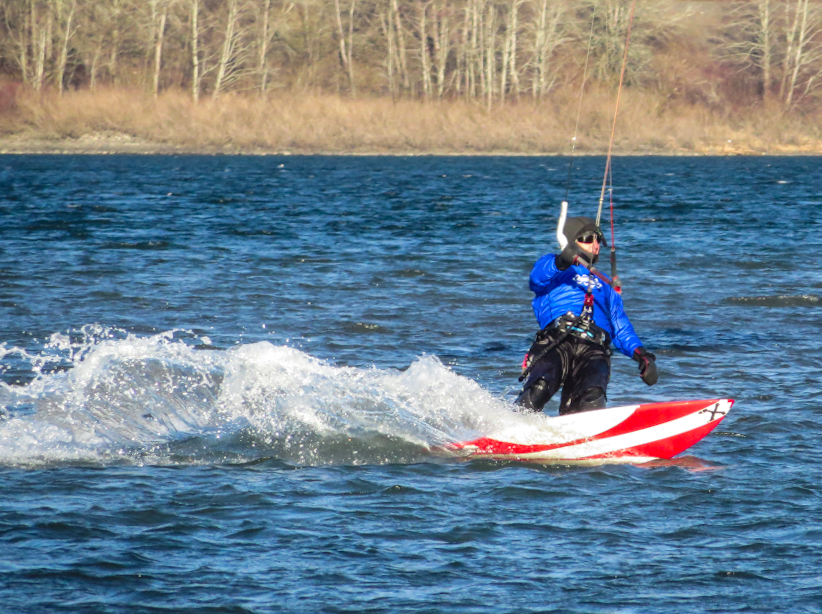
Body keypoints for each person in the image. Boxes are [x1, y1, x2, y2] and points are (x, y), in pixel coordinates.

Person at [516, 215, 657, 415]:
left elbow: (621, 328)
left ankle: (581, 435)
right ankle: (514, 422)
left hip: (594, 349)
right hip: (558, 340)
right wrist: (561, 261)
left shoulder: (608, 287)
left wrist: (643, 356)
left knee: (592, 396)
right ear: (572, 241)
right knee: (540, 386)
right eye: (587, 239)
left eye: (598, 239)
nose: (595, 244)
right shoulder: (554, 267)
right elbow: (536, 279)